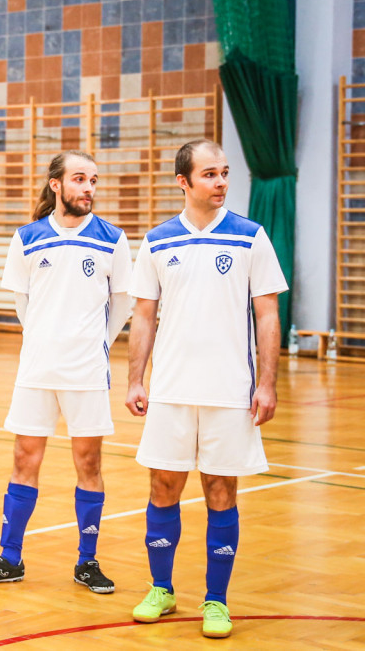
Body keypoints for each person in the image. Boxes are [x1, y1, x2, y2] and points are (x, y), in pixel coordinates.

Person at [126, 140, 287, 639]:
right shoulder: (157, 241)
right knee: (163, 488)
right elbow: (144, 316)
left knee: (220, 491)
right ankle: (161, 589)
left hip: (230, 393)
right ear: (183, 182)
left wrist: (266, 383)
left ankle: (216, 601)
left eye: (224, 173)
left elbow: (267, 313)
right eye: (210, 175)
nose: (221, 183)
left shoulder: (250, 236)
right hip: (171, 391)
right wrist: (135, 377)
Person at [0, 151, 132, 593]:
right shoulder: (27, 238)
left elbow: (123, 305)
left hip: (87, 372)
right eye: (79, 179)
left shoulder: (113, 239)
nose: (89, 189)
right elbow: (23, 305)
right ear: (56, 184)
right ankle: (10, 557)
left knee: (89, 463)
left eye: (94, 180)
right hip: (36, 370)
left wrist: (95, 345)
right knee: (24, 459)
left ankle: (87, 561)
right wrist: (44, 339)